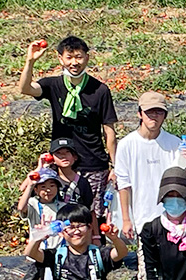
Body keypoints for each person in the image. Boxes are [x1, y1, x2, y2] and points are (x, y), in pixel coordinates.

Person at [18, 36, 117, 215]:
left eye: (78, 57)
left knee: (93, 214)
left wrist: (115, 166)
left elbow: (109, 132)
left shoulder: (100, 90)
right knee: (61, 212)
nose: (74, 62)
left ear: (87, 57)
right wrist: (30, 61)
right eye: (69, 57)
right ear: (60, 59)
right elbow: (25, 89)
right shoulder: (53, 85)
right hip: (62, 161)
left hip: (93, 162)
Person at [116, 91, 186, 280]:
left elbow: (180, 180)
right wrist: (126, 219)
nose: (153, 117)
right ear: (140, 114)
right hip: (143, 216)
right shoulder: (127, 145)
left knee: (173, 268)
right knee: (146, 271)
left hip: (171, 217)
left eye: (158, 112)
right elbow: (124, 184)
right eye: (149, 112)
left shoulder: (174, 144)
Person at [16, 167, 66, 280]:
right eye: (43, 187)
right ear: (36, 189)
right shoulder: (33, 204)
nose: (48, 190)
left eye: (52, 186)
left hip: (61, 250)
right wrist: (29, 184)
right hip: (42, 252)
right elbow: (20, 208)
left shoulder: (63, 205)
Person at [46, 138, 96, 210]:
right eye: (58, 153)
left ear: (75, 156)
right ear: (52, 158)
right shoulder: (49, 179)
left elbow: (90, 209)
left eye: (67, 152)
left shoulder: (83, 182)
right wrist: (39, 168)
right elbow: (25, 189)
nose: (63, 156)